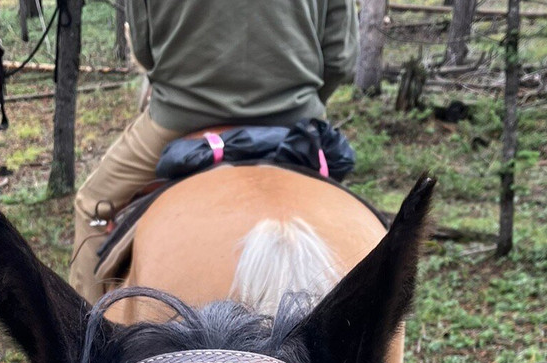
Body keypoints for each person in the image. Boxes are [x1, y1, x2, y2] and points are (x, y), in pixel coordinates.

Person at [69, 0, 358, 301]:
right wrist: (301, 104)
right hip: (295, 122)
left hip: (178, 120)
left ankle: (81, 325)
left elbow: (144, 50)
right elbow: (340, 58)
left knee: (91, 206)